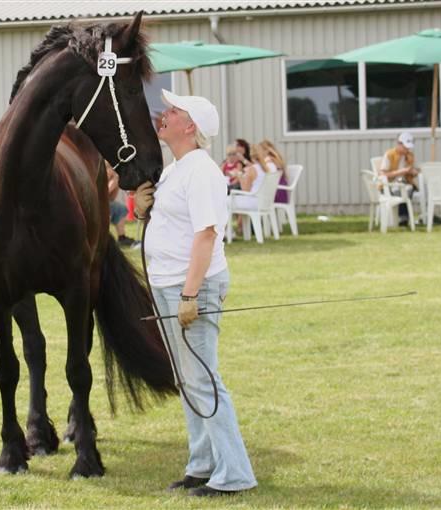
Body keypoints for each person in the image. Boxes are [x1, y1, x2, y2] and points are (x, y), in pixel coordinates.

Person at [133, 89, 258, 497]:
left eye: (173, 110)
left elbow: (206, 234)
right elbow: (173, 222)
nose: (163, 113)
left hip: (193, 287)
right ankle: (202, 464)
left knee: (203, 379)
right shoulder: (176, 168)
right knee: (188, 380)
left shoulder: (202, 170)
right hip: (170, 284)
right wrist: (142, 205)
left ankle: (235, 474)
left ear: (191, 127)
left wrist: (190, 295)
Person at [380, 132, 419, 226]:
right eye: (405, 147)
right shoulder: (389, 155)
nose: (407, 149)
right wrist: (402, 171)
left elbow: (411, 172)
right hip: (389, 185)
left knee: (408, 189)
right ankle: (404, 218)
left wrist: (413, 172)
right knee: (404, 191)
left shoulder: (410, 156)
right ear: (399, 143)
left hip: (404, 183)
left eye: (408, 147)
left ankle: (404, 218)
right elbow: (383, 174)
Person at [107, 162, 140, 249]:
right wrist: (114, 180)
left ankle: (122, 237)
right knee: (119, 209)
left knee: (120, 208)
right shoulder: (110, 177)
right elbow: (106, 193)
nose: (114, 171)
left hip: (106, 204)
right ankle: (118, 238)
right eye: (112, 169)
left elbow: (111, 198)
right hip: (100, 206)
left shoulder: (112, 177)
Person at [259, 140, 289, 204]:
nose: (259, 153)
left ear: (267, 150)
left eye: (261, 150)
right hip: (278, 190)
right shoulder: (274, 158)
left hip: (277, 192)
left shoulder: (270, 159)